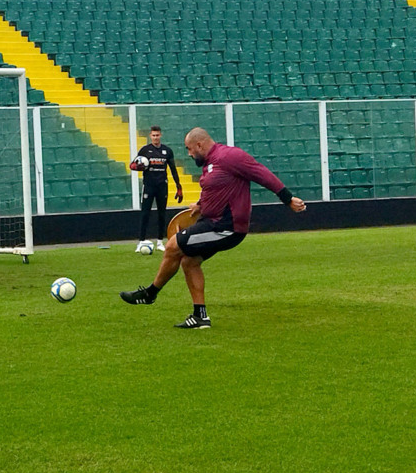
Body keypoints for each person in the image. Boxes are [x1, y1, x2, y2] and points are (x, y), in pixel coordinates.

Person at [120, 128, 305, 329]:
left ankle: (150, 294)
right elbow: (216, 188)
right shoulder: (210, 163)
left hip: (226, 226)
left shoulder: (230, 156)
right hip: (212, 222)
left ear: (200, 145)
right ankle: (200, 317)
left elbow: (261, 173)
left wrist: (287, 198)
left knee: (173, 246)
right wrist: (200, 204)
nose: (189, 154)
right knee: (189, 262)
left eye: (190, 149)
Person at [130, 125, 183, 251]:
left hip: (162, 185)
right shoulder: (144, 150)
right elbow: (132, 165)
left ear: (161, 135)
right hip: (149, 185)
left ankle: (160, 242)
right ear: (150, 136)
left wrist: (178, 186)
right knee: (145, 213)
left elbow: (173, 169)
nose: (155, 137)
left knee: (161, 213)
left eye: (157, 135)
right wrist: (138, 166)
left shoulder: (167, 151)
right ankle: (141, 241)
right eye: (153, 135)